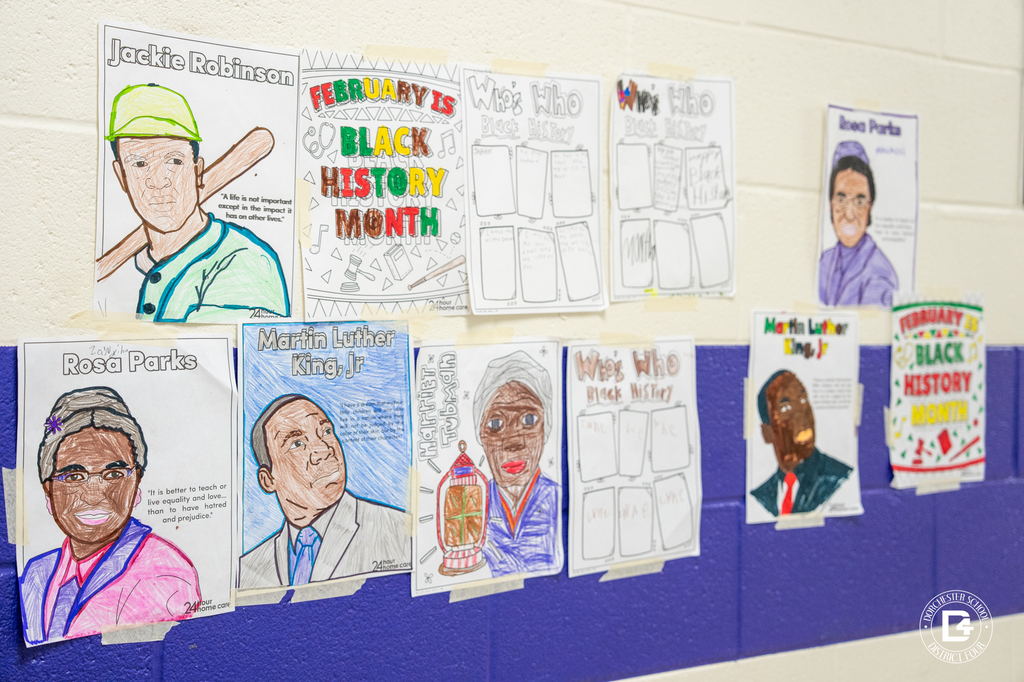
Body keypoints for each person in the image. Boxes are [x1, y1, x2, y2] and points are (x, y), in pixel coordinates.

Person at [19, 388, 199, 645]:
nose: (94, 495)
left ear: (136, 484)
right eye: (73, 476)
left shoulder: (165, 573)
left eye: (113, 474)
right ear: (48, 490)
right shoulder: (35, 574)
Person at [107, 83, 289, 322]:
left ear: (198, 171)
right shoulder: (132, 268)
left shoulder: (247, 262)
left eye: (173, 161)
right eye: (139, 164)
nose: (158, 181)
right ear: (122, 177)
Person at [238, 395, 409, 588]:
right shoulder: (247, 571)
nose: (324, 449)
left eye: (326, 431)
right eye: (297, 444)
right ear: (268, 480)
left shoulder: (399, 532)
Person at [473, 351, 559, 576]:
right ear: (481, 436)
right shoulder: (473, 508)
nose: (513, 442)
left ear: (545, 430)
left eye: (529, 420)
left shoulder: (557, 499)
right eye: (495, 423)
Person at [750, 370, 852, 517]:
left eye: (803, 400)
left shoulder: (838, 478)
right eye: (785, 408)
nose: (800, 414)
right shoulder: (761, 496)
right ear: (767, 433)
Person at [818, 140, 898, 307]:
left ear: (870, 207)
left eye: (859, 202)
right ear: (831, 204)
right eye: (841, 199)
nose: (849, 214)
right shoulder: (824, 262)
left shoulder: (878, 276)